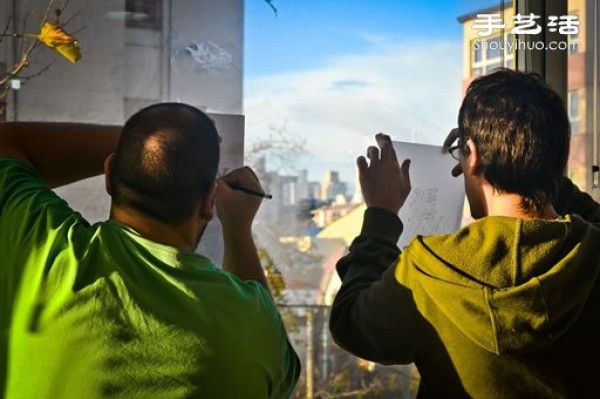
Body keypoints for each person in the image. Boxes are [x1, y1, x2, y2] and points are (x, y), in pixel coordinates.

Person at [329, 69, 600, 398]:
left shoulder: (427, 269)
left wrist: (381, 217)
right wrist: (527, 156)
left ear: (473, 158)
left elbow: (351, 324)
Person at [0, 103, 300, 398]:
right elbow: (279, 376)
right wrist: (238, 231)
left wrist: (145, 144)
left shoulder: (40, 249)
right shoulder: (251, 326)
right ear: (210, 199)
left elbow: (6, 142)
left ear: (109, 172)